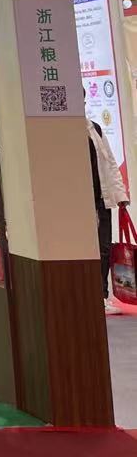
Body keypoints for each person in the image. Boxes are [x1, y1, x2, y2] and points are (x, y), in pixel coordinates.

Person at [88, 116, 130, 313]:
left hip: (102, 199)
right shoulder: (65, 130)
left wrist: (120, 195)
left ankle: (102, 296)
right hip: (81, 202)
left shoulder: (94, 128)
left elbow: (110, 163)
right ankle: (90, 294)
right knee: (88, 249)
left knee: (104, 248)